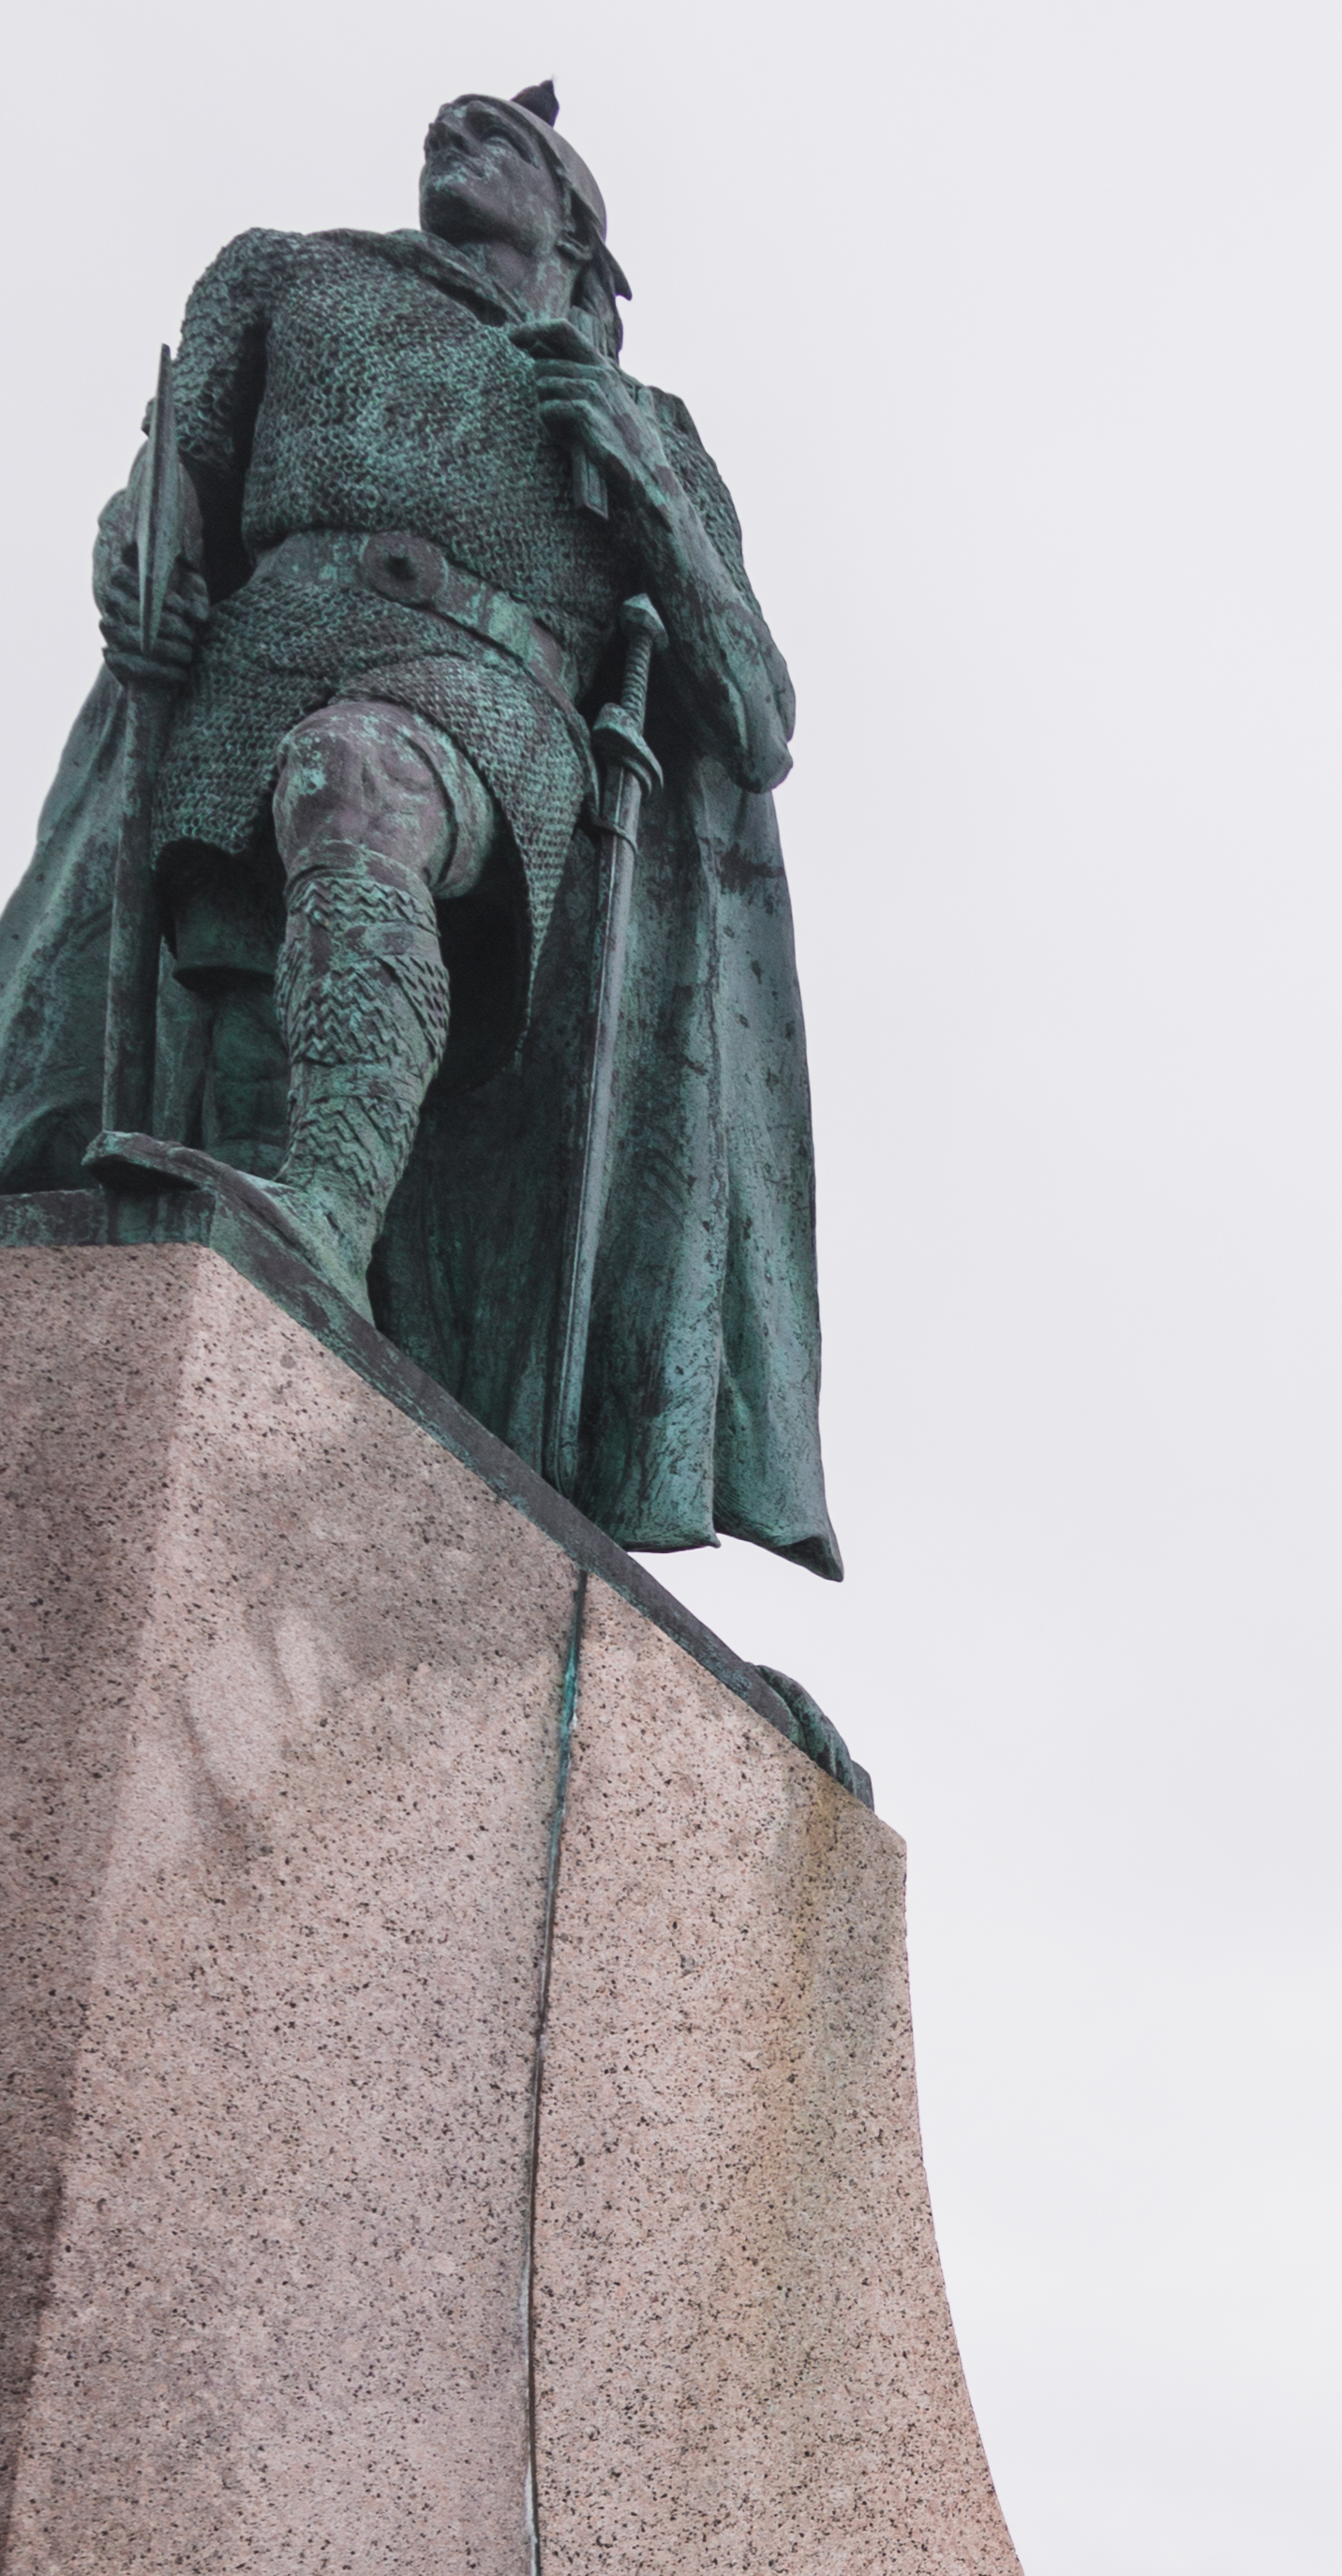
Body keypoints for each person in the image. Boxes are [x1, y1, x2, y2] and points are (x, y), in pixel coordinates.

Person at [0, 84, 834, 1569]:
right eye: (442, 128)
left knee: (357, 783)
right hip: (252, 664)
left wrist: (646, 495)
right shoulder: (285, 272)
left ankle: (319, 1211)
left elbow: (758, 714)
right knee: (247, 1058)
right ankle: (301, 1341)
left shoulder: (648, 425)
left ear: (579, 226)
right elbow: (172, 478)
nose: (453, 140)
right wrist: (135, 557)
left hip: (487, 693)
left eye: (496, 138)